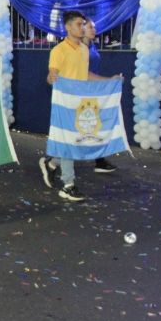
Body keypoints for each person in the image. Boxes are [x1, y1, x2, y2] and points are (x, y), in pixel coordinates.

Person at [39, 11, 122, 201]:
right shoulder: (58, 51)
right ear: (68, 27)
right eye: (79, 24)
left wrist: (109, 80)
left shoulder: (84, 50)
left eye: (84, 24)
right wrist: (52, 77)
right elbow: (52, 76)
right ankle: (68, 185)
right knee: (69, 142)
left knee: (75, 141)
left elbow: (86, 76)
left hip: (80, 103)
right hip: (64, 105)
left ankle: (51, 164)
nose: (82, 27)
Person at [82, 18, 117, 173]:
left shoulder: (92, 46)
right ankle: (53, 162)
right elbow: (83, 73)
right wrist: (108, 81)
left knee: (95, 125)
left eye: (94, 27)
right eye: (91, 27)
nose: (94, 30)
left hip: (93, 89)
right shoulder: (79, 48)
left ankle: (100, 160)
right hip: (82, 90)